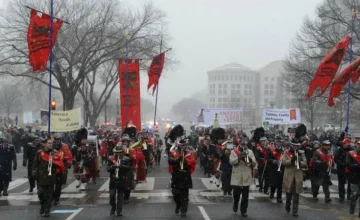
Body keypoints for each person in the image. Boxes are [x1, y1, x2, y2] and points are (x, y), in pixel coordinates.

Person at [32, 137, 64, 217]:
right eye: (49, 143)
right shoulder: (40, 153)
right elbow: (35, 164)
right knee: (41, 194)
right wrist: (34, 172)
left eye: (51, 143)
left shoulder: (55, 153)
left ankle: (47, 211)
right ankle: (42, 205)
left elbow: (60, 163)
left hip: (51, 177)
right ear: (45, 144)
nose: (50, 144)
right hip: (41, 177)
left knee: (49, 196)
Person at [168, 134, 196, 217]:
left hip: (185, 175)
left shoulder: (190, 152)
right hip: (176, 174)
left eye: (184, 145)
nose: (182, 146)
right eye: (181, 145)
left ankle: (184, 210)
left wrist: (186, 161)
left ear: (186, 144)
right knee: (175, 194)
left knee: (185, 195)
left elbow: (193, 161)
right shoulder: (174, 151)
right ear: (178, 144)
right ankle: (178, 205)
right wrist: (178, 159)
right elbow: (170, 161)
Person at [229, 139, 257, 217]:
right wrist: (239, 157)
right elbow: (231, 162)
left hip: (246, 175)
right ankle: (235, 203)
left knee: (245, 196)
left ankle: (243, 211)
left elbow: (254, 163)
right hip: (237, 175)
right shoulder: (234, 151)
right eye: (242, 144)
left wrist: (248, 158)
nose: (243, 146)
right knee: (236, 194)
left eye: (245, 145)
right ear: (239, 144)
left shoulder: (250, 152)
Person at [282, 139, 307, 216]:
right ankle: (287, 204)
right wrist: (291, 160)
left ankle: (295, 211)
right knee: (288, 193)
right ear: (291, 145)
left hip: (298, 176)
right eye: (294, 145)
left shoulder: (301, 153)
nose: (295, 147)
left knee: (296, 195)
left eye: (296, 146)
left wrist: (300, 162)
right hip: (289, 175)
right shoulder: (286, 152)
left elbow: (305, 163)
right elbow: (284, 163)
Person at [107, 145, 131, 216]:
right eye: (117, 152)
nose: (119, 154)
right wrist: (113, 166)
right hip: (113, 179)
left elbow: (128, 168)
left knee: (120, 196)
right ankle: (113, 208)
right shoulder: (111, 159)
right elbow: (108, 168)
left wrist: (121, 166)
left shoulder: (126, 159)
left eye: (120, 152)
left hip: (121, 179)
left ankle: (119, 211)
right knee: (112, 195)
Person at [334, 137, 353, 202]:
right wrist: (342, 163)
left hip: (350, 169)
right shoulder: (340, 150)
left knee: (350, 183)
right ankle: (341, 197)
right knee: (341, 184)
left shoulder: (352, 150)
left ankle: (349, 195)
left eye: (345, 143)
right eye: (343, 143)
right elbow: (336, 159)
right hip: (341, 169)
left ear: (348, 143)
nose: (343, 144)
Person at [266, 137, 284, 203]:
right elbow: (267, 158)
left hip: (281, 168)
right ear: (276, 142)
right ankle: (272, 193)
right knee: (273, 183)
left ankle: (279, 197)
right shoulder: (271, 149)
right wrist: (273, 161)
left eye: (280, 142)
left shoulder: (284, 150)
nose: (279, 143)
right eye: (278, 142)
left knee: (280, 184)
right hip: (273, 168)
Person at [346, 140, 360, 216]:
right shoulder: (351, 154)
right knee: (354, 195)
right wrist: (357, 166)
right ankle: (352, 208)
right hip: (354, 177)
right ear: (356, 145)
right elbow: (348, 165)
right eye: (359, 145)